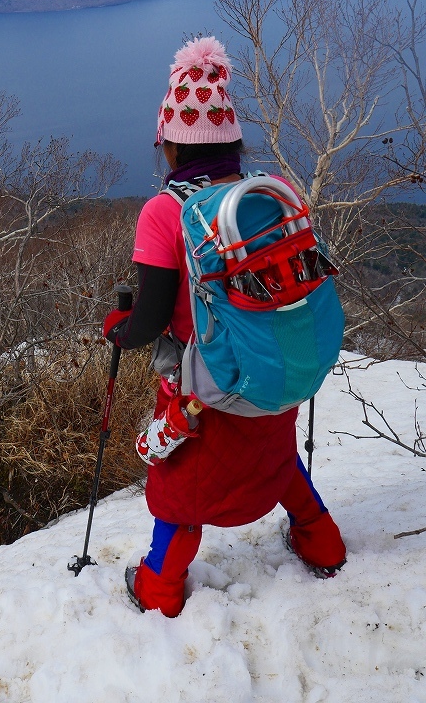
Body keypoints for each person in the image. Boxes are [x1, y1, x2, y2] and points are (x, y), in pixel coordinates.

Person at [102, 35, 346, 619]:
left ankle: (159, 587)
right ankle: (322, 542)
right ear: (234, 140)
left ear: (170, 146)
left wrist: (118, 328)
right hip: (273, 362)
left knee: (180, 490)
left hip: (207, 386)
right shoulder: (260, 194)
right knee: (275, 456)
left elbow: (151, 320)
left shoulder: (165, 212)